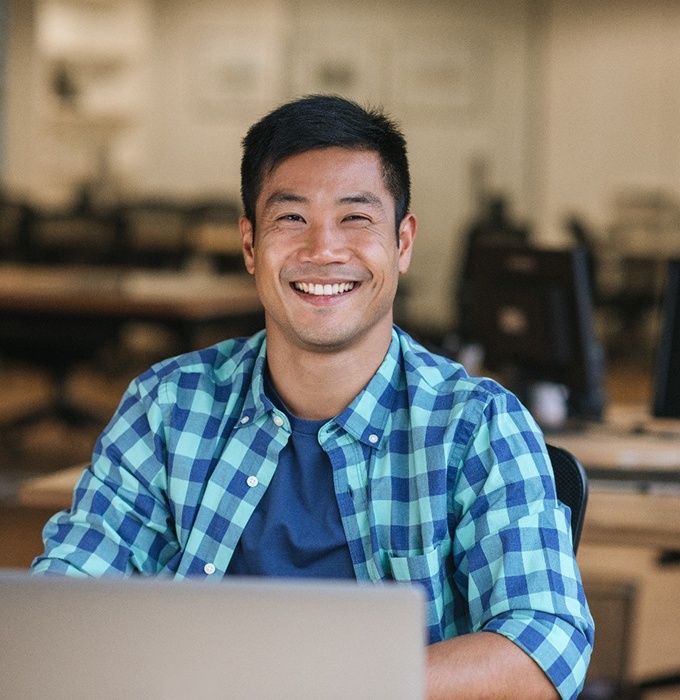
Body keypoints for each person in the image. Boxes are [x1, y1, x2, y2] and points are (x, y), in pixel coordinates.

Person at [32, 94, 593, 700]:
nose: (323, 249)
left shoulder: (476, 423)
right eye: (291, 218)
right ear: (250, 245)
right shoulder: (166, 407)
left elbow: (544, 644)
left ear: (402, 243)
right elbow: (64, 608)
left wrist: (321, 686)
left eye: (356, 218)